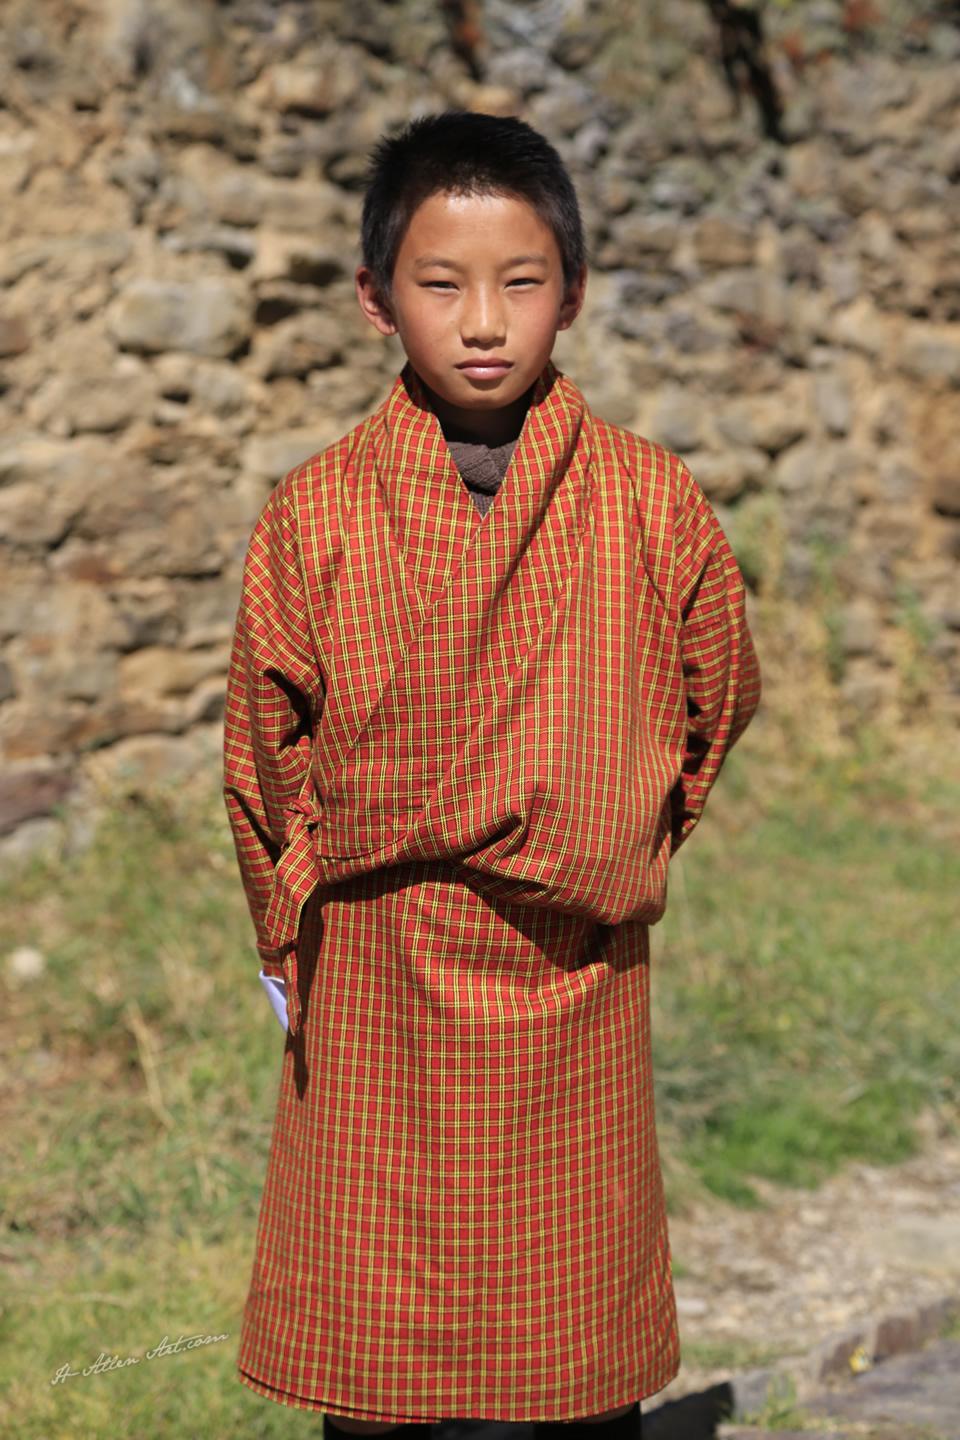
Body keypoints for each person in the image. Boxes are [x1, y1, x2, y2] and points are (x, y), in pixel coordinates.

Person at [222, 110, 761, 1440]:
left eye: (521, 283)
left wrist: (614, 838)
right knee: (379, 1342)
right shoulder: (316, 508)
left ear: (571, 293)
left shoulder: (651, 500)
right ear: (375, 298)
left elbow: (716, 696)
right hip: (382, 967)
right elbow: (263, 751)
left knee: (573, 1342)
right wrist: (295, 919)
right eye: (441, 284)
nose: (482, 323)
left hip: (575, 959)